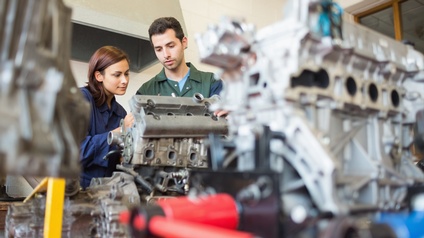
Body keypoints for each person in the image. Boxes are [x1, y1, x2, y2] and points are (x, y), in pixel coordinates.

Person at [136, 17, 227, 117]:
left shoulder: (211, 82)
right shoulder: (146, 91)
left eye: (171, 46)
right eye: (158, 49)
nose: (166, 54)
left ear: (184, 42)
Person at [79, 46, 134, 189]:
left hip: (107, 192)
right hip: (78, 191)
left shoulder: (120, 112)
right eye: (117, 75)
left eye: (127, 74)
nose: (124, 80)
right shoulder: (81, 100)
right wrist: (119, 132)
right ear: (99, 76)